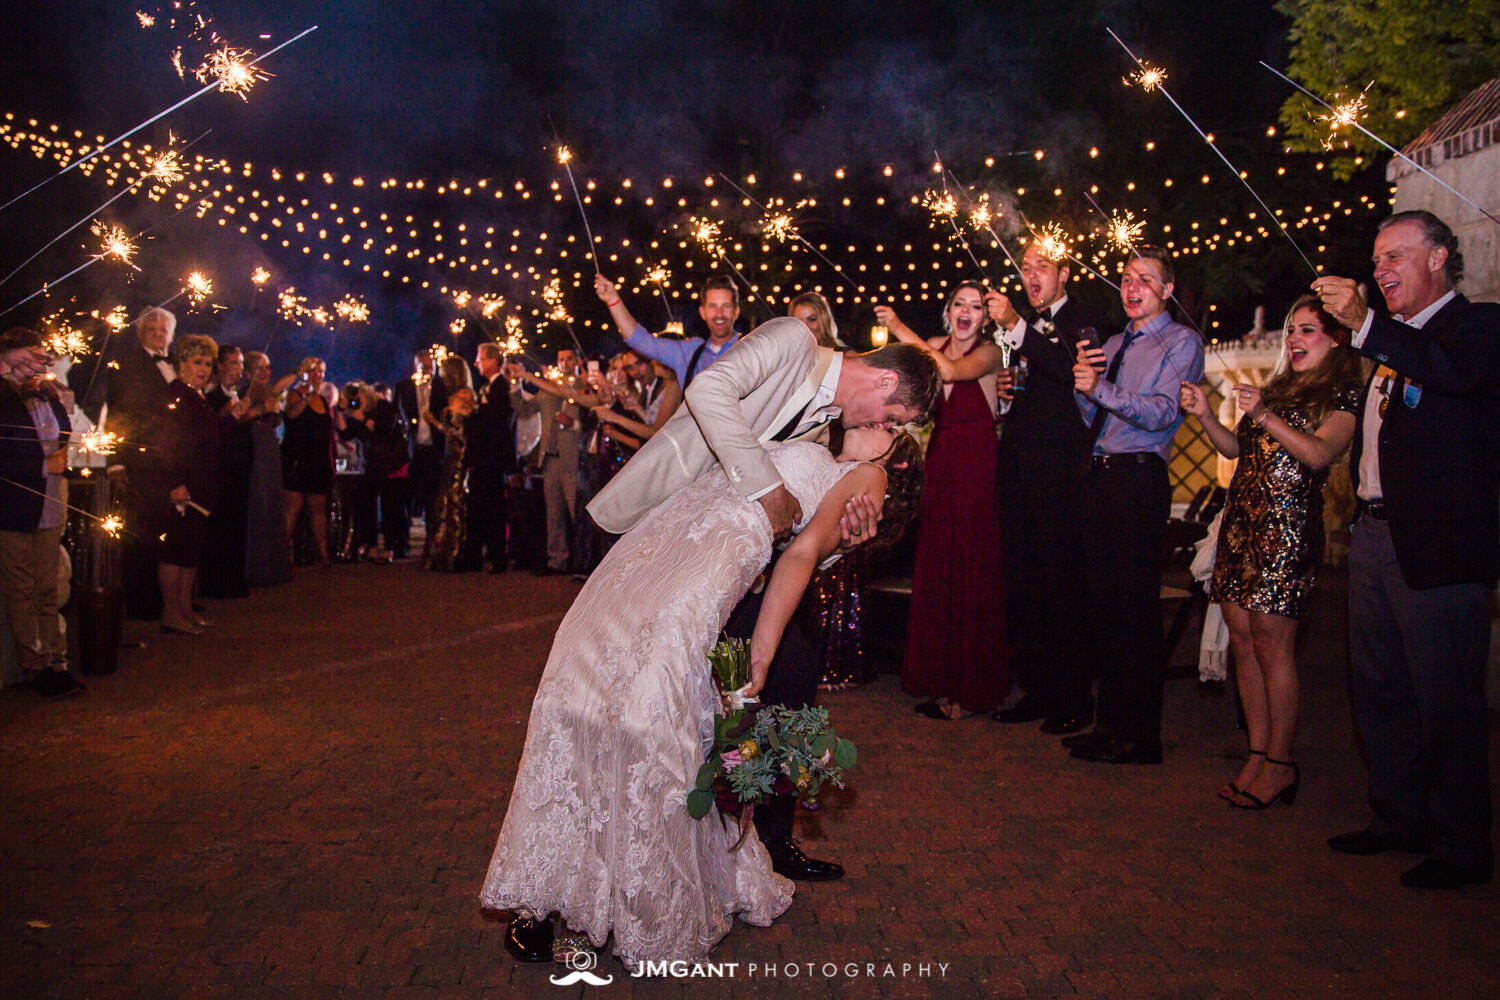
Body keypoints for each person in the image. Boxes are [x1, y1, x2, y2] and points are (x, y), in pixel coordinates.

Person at [482, 422, 919, 969]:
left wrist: (846, 540)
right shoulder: (804, 413)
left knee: (698, 712)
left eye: (896, 423)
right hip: (662, 557)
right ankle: (548, 888)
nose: (882, 421)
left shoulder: (863, 472)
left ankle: (735, 851)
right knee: (585, 700)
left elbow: (810, 546)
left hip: (731, 584)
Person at [1314, 211, 1499, 889]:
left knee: (1445, 696)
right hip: (1374, 536)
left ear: (1440, 259)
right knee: (1380, 687)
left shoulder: (1476, 328)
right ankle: (1398, 818)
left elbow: (1450, 377)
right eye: (1376, 259)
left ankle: (1463, 843)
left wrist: (1366, 325)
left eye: (1396, 256)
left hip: (1438, 548)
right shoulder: (1395, 347)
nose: (1381, 270)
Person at [1180, 295, 1361, 809]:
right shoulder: (1278, 388)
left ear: (1335, 339)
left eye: (1307, 331)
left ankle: (1281, 762)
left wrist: (1264, 412)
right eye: (1291, 331)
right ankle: (1257, 755)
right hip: (1241, 526)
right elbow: (1237, 452)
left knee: (1272, 646)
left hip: (1286, 532)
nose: (1294, 340)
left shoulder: (1342, 393)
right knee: (1241, 641)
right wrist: (1204, 417)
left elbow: (1319, 452)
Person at [1068, 247, 1205, 765]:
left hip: (1138, 480)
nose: (1132, 287)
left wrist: (1100, 388)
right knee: (1104, 608)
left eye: (1145, 280)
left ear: (1166, 290)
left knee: (1135, 611)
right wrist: (1086, 387)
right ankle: (1109, 727)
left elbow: (1163, 413)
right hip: (1099, 477)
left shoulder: (1180, 342)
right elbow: (1090, 418)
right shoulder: (1112, 341)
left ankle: (1141, 736)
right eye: (1126, 279)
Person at [984, 247, 1108, 732]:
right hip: (1020, 471)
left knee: (1063, 588)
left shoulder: (1082, 318)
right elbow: (1036, 379)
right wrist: (1008, 391)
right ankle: (1037, 690)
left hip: (1059, 478)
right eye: (1025, 268)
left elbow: (1066, 369)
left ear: (1064, 274)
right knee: (1027, 587)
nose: (1030, 276)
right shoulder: (1026, 330)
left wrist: (1016, 324)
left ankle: (1073, 698)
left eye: (1041, 268)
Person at [876, 281, 1009, 719]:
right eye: (959, 304)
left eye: (975, 306)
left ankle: (970, 690)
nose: (966, 312)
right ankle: (937, 679)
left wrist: (898, 326)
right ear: (948, 311)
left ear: (986, 318)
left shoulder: (990, 353)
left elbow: (950, 372)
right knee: (940, 562)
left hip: (978, 462)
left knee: (973, 564)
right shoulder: (932, 345)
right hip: (943, 460)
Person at [0, 327, 82, 698]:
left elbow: (61, 439)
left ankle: (57, 660)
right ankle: (34, 666)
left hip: (51, 501)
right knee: (21, 589)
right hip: (15, 507)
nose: (38, 367)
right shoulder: (3, 397)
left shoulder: (48, 394)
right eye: (29, 359)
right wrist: (40, 465)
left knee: (48, 587)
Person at [135, 334, 231, 635]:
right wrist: (174, 483)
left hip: (201, 484)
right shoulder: (174, 396)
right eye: (196, 362)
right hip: (182, 486)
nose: (203, 369)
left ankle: (186, 608)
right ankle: (171, 612)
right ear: (181, 363)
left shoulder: (197, 397)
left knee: (191, 551)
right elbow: (163, 444)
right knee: (176, 551)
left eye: (207, 363)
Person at [106, 307, 179, 620]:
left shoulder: (176, 364)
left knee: (169, 530)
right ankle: (140, 602)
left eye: (163, 330)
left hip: (172, 460)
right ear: (140, 333)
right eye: (152, 330)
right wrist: (115, 462)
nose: (159, 335)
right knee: (141, 532)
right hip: (140, 458)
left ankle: (169, 601)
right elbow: (117, 412)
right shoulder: (127, 365)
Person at [594, 273, 741, 389]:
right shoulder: (690, 352)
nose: (719, 314)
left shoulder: (751, 351)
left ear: (736, 312)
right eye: (713, 306)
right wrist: (613, 300)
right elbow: (640, 340)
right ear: (702, 312)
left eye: (726, 306)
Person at [510, 349, 581, 575]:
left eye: (569, 358)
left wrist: (574, 424)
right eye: (560, 359)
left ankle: (582, 560)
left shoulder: (583, 386)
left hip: (573, 459)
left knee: (575, 511)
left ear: (577, 361)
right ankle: (556, 560)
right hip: (550, 458)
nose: (565, 363)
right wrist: (515, 384)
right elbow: (523, 410)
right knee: (554, 513)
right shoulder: (547, 392)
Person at [200, 345, 253, 599]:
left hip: (238, 470)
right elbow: (214, 430)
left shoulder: (235, 393)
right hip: (221, 470)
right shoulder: (211, 395)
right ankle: (217, 581)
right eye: (233, 363)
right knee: (221, 526)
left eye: (240, 363)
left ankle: (233, 577)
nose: (238, 369)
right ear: (219, 366)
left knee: (236, 524)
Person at [241, 351, 294, 587]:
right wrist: (298, 372)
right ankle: (258, 567)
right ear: (248, 372)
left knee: (272, 502)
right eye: (260, 368)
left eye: (268, 368)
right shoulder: (249, 392)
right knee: (260, 503)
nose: (266, 373)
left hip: (270, 449)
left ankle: (272, 565)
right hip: (256, 449)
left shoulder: (267, 391)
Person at [281, 357, 340, 568]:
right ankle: (283, 553)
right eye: (314, 371)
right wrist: (309, 395)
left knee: (318, 509)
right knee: (293, 507)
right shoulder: (294, 395)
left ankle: (322, 554)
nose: (318, 376)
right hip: (297, 458)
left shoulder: (324, 401)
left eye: (321, 372)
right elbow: (292, 414)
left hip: (318, 461)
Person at [462, 344, 514, 573]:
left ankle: (494, 556)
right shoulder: (487, 388)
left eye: (480, 359)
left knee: (492, 509)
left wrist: (475, 412)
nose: (476, 364)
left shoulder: (501, 388)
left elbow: (497, 424)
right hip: (483, 459)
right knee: (479, 508)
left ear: (493, 361)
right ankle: (478, 553)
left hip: (491, 459)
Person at [423, 386, 476, 571]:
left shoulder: (473, 414)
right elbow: (451, 433)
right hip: (452, 463)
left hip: (464, 464)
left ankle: (458, 553)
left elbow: (460, 436)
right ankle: (443, 552)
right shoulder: (450, 412)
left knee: (458, 507)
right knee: (446, 506)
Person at [395, 348, 448, 534]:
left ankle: (432, 539)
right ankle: (402, 538)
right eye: (424, 367)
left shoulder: (442, 387)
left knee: (433, 496)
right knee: (406, 495)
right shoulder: (403, 388)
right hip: (412, 449)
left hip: (435, 449)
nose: (428, 371)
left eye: (430, 367)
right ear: (415, 366)